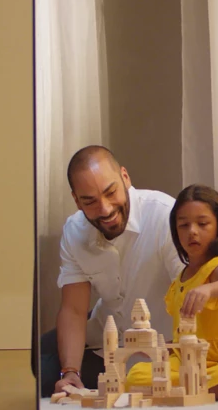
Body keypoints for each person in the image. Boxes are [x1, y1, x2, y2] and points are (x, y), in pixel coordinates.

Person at [33, 145, 183, 397]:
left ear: (125, 177)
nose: (104, 209)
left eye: (110, 192)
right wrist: (70, 372)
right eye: (89, 201)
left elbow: (190, 293)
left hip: (161, 348)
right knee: (39, 361)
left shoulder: (166, 215)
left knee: (47, 376)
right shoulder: (74, 230)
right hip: (106, 334)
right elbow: (74, 309)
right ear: (76, 200)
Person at [124, 184, 218, 401]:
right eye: (183, 225)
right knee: (136, 374)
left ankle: (181, 390)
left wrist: (208, 289)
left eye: (202, 224)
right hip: (185, 360)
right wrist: (160, 348)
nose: (192, 231)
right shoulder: (180, 280)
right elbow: (182, 336)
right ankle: (184, 390)